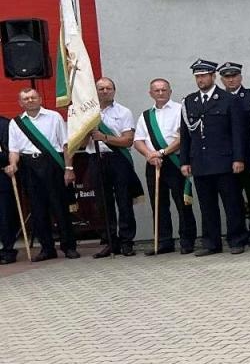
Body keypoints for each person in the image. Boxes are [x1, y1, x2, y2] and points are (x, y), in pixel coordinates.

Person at [181, 59, 249, 256]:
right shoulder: (189, 101)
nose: (200, 80)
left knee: (232, 203)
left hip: (224, 161)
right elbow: (186, 134)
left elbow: (237, 132)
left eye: (204, 76)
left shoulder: (228, 99)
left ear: (213, 76)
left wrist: (239, 158)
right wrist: (185, 160)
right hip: (200, 162)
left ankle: (237, 239)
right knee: (207, 205)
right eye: (197, 76)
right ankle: (211, 243)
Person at [5, 87, 78, 260]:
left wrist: (68, 169)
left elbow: (66, 144)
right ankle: (47, 249)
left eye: (33, 97)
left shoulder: (54, 117)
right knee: (37, 210)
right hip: (29, 167)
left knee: (60, 207)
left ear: (40, 99)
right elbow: (14, 150)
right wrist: (13, 164)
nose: (30, 101)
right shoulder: (16, 123)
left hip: (53, 164)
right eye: (26, 99)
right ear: (20, 103)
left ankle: (69, 246)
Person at [133, 78, 195, 255]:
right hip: (153, 163)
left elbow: (183, 137)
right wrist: (149, 155)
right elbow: (138, 140)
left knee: (182, 203)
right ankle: (163, 242)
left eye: (163, 90)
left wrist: (162, 153)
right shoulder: (145, 115)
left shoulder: (179, 110)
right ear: (150, 93)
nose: (160, 93)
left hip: (175, 161)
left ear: (170, 91)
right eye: (156, 90)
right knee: (158, 204)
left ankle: (186, 240)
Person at [87, 77, 142, 257]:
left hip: (118, 159)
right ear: (96, 91)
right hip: (96, 159)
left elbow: (128, 140)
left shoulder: (123, 112)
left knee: (124, 201)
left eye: (108, 88)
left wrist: (104, 137)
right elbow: (78, 144)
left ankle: (127, 241)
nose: (105, 91)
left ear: (114, 90)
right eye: (101, 88)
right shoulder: (87, 113)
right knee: (102, 203)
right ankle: (110, 241)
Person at [218, 62, 250, 245]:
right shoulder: (218, 98)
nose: (231, 79)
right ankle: (239, 233)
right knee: (233, 199)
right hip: (227, 157)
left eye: (234, 76)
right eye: (227, 77)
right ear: (222, 79)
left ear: (241, 77)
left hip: (249, 155)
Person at [0, 112, 17, 264]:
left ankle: (7, 251)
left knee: (4, 216)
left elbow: (9, 151)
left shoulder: (5, 124)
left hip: (1, 175)